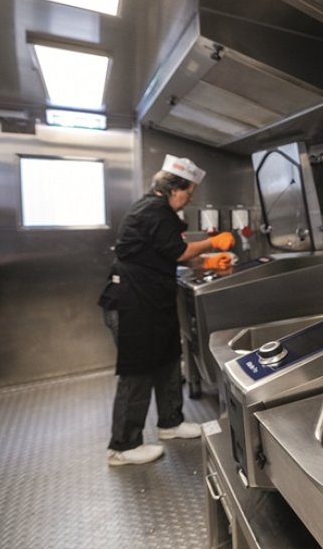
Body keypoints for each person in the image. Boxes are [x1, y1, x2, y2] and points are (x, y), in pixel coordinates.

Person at [98, 154, 235, 466]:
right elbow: (180, 251)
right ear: (174, 189)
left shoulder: (159, 211)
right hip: (132, 303)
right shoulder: (153, 210)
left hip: (151, 301)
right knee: (138, 371)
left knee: (168, 358)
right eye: (189, 192)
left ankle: (170, 422)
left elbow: (169, 253)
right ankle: (123, 446)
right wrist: (213, 243)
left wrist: (208, 263)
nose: (190, 199)